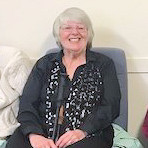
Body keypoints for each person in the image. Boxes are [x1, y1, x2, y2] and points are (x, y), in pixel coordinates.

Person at [6, 7, 121, 148]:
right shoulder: (44, 64)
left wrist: (82, 132)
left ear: (88, 34)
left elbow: (111, 105)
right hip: (42, 129)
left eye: (81, 28)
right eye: (67, 28)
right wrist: (34, 135)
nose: (75, 32)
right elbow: (27, 104)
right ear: (58, 34)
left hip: (89, 132)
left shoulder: (104, 64)